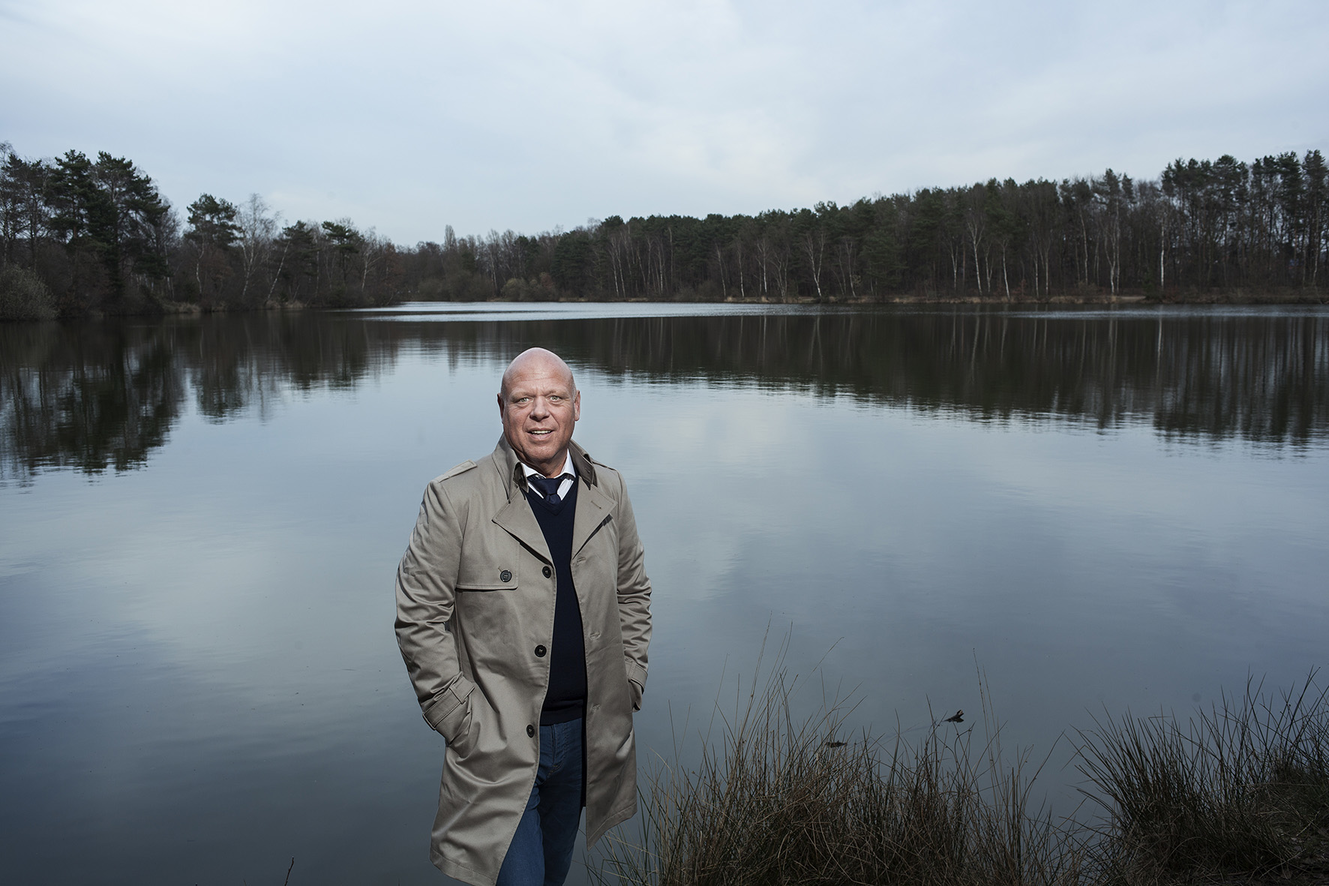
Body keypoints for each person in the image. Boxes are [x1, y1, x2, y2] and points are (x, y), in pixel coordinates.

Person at [395, 347, 652, 886]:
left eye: (554, 398)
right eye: (524, 399)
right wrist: (461, 721)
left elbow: (633, 591)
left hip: (587, 737)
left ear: (576, 406)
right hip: (498, 744)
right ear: (502, 407)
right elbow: (419, 618)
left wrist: (628, 680)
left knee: (551, 878)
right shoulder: (456, 498)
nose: (540, 412)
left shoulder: (609, 489)